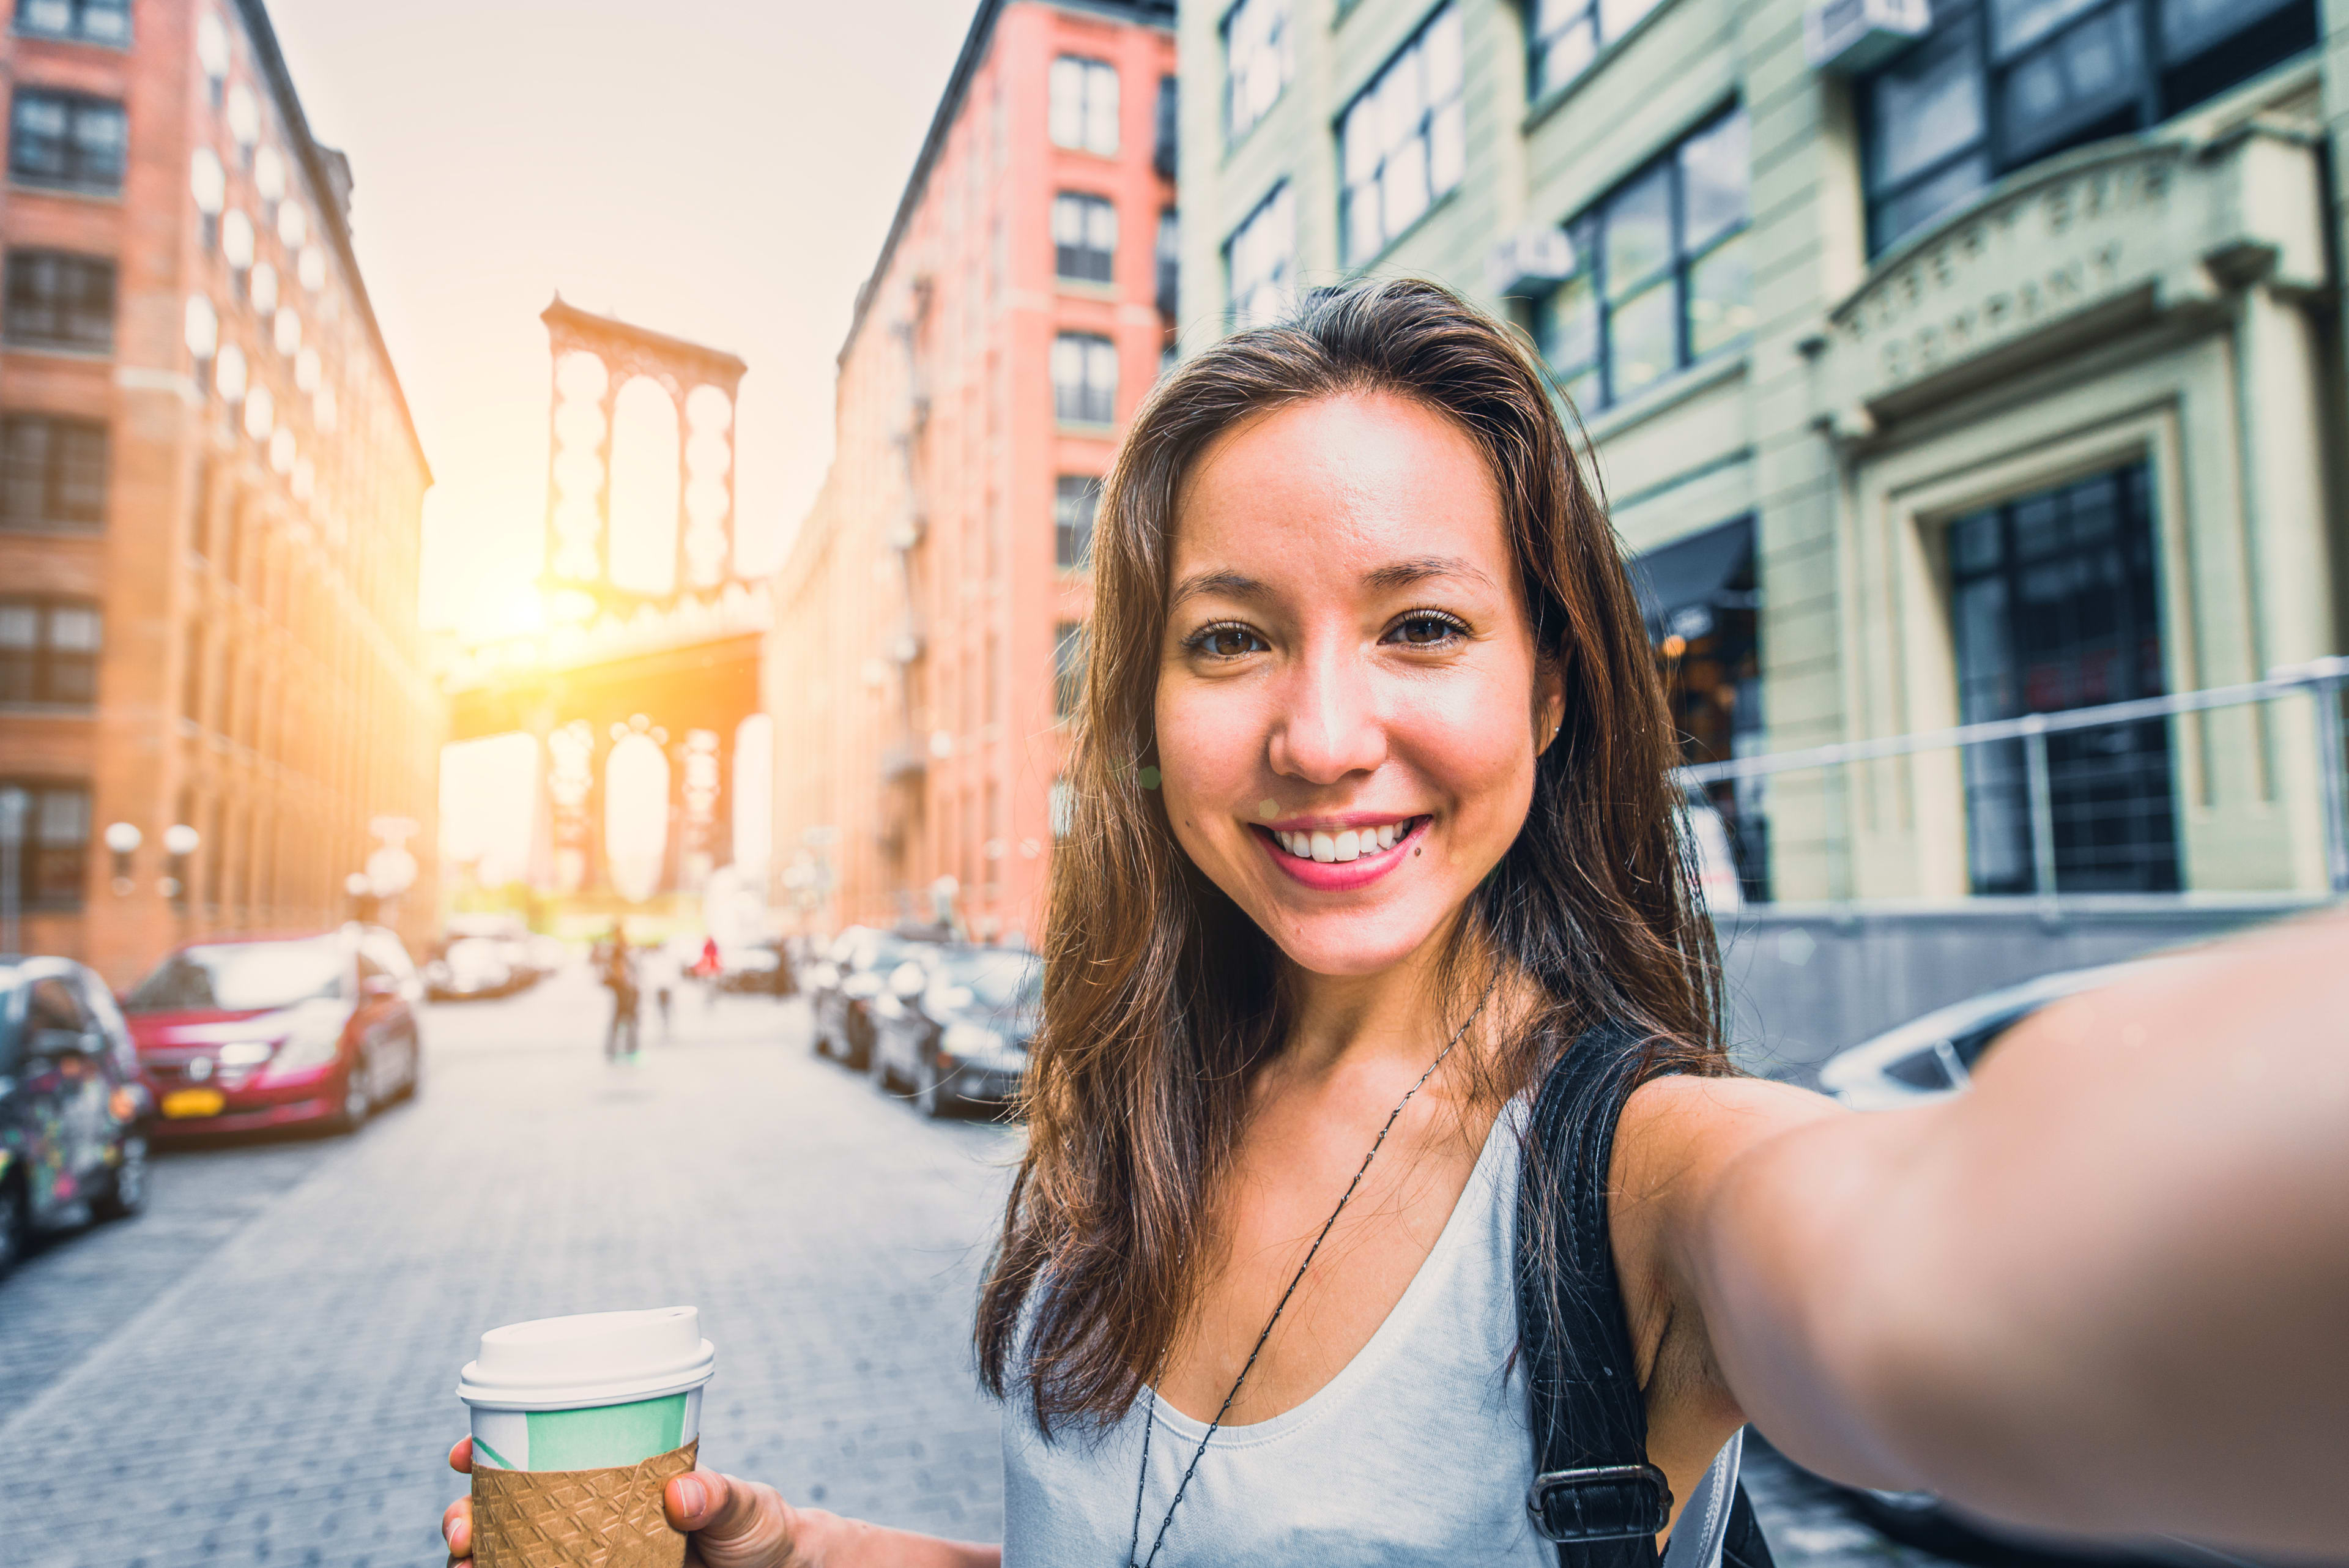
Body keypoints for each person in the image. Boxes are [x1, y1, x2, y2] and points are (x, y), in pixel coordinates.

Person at [441, 281, 2349, 1566]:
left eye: (1422, 623)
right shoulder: (1127, 1106)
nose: (1319, 734)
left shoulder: (1641, 1176)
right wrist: (805, 1550)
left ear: (1548, 690)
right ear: (1145, 706)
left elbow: (1966, 1249)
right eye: (1229, 635)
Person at [599, 921, 640, 1063]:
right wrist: (627, 983)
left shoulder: (617, 947)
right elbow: (619, 970)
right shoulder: (618, 948)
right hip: (624, 989)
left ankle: (619, 1050)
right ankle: (627, 1050)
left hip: (623, 988)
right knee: (626, 1019)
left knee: (622, 1019)